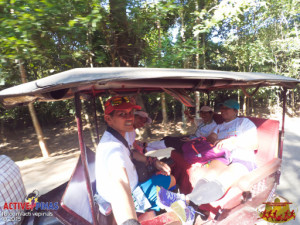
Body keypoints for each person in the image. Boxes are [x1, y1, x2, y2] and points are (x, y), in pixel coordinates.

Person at [95, 96, 194, 225]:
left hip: (135, 182)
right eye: (122, 114)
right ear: (109, 119)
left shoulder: (119, 136)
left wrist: (154, 162)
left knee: (166, 174)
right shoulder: (113, 149)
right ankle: (170, 203)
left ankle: (166, 200)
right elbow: (121, 186)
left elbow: (132, 153)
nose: (129, 117)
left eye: (131, 113)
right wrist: (129, 222)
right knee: (172, 180)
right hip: (132, 193)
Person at [157, 99, 258, 214]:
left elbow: (254, 144)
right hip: (222, 156)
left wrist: (233, 141)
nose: (222, 111)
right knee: (207, 175)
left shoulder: (244, 123)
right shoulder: (219, 126)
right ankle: (192, 209)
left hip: (240, 158)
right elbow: (211, 139)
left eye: (226, 108)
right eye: (222, 108)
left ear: (235, 111)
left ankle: (185, 200)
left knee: (225, 176)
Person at [146, 106, 217, 152]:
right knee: (167, 138)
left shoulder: (214, 126)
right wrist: (187, 114)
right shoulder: (201, 121)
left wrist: (192, 140)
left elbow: (208, 141)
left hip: (196, 143)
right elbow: (191, 119)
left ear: (211, 114)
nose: (203, 115)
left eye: (206, 113)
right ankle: (147, 146)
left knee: (171, 142)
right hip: (191, 137)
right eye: (201, 113)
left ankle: (146, 147)